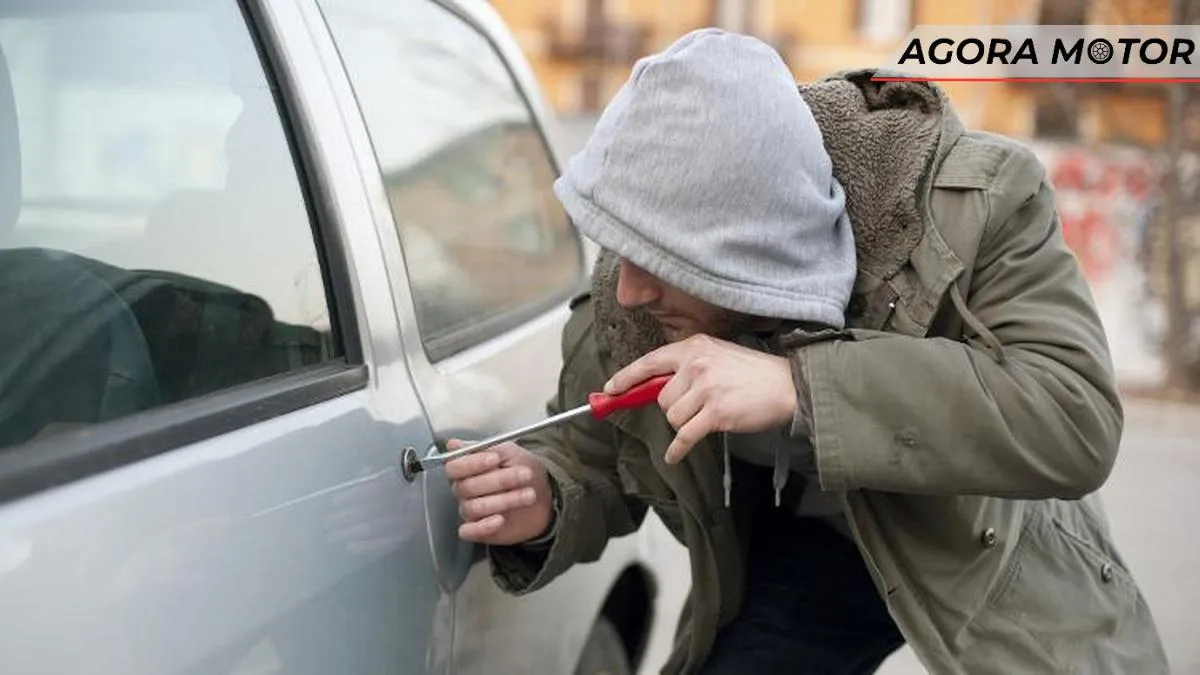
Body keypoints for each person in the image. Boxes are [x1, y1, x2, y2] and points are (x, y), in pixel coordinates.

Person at [443, 28, 1168, 675]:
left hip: (985, 546)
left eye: (660, 261)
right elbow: (597, 455)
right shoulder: (630, 296)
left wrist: (799, 385)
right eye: (620, 249)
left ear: (746, 248)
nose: (628, 290)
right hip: (808, 555)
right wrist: (547, 495)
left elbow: (1072, 417)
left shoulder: (978, 203)